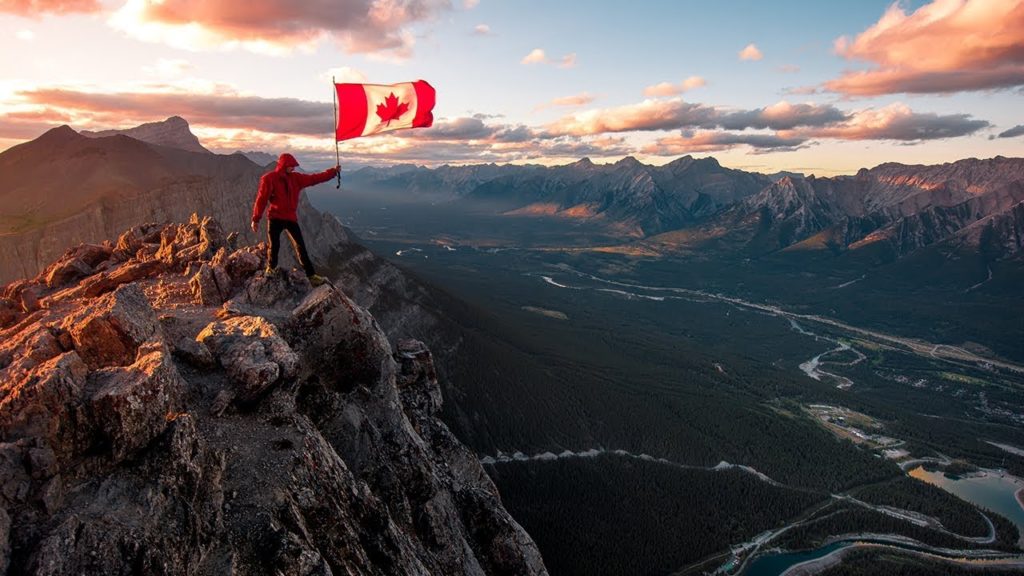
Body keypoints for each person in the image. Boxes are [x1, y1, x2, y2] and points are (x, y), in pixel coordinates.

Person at [251, 153, 338, 287]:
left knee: (300, 247)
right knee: (275, 246)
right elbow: (261, 200)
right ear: (283, 166)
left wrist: (333, 172)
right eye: (291, 166)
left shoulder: (296, 179)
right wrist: (256, 219)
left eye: (294, 166)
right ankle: (271, 268)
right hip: (275, 218)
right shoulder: (270, 179)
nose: (293, 168)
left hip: (291, 218)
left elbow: (315, 178)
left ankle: (311, 275)